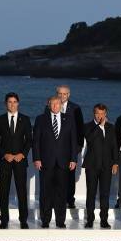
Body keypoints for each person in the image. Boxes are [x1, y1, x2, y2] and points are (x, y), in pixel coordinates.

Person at [33, 96, 78, 228]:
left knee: (61, 193)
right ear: (48, 105)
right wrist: (36, 158)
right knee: (45, 192)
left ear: (61, 105)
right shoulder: (40, 119)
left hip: (64, 162)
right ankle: (45, 220)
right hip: (46, 162)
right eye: (52, 104)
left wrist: (73, 159)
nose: (55, 106)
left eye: (57, 104)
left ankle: (60, 221)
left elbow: (73, 141)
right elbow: (36, 141)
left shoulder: (69, 119)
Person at [0, 93, 32, 229]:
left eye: (15, 102)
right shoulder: (0, 119)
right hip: (5, 161)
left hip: (20, 161)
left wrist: (23, 154)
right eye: (10, 102)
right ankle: (4, 219)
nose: (12, 104)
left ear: (18, 103)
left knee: (22, 192)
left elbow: (29, 140)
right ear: (5, 104)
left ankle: (23, 220)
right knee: (4, 191)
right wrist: (4, 154)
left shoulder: (25, 119)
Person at [44, 85, 84, 209]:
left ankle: (70, 200)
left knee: (70, 177)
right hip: (53, 151)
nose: (62, 96)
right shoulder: (48, 107)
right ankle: (54, 200)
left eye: (64, 94)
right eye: (60, 94)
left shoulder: (76, 108)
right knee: (54, 177)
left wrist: (77, 149)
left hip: (70, 150)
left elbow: (80, 130)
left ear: (69, 95)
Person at [82, 103, 119, 229]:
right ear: (94, 113)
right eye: (98, 113)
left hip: (107, 166)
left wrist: (115, 162)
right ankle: (90, 220)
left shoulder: (111, 127)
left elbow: (114, 146)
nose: (100, 116)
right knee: (91, 194)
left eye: (102, 114)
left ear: (106, 114)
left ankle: (104, 220)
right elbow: (90, 140)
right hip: (92, 165)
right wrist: (99, 127)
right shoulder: (88, 126)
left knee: (105, 194)